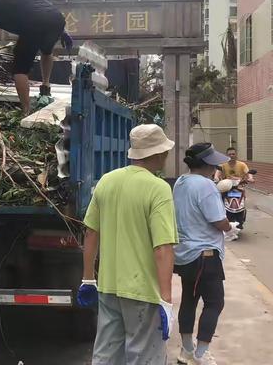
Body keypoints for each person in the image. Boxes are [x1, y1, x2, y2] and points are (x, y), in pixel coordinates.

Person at [79, 124, 178, 365]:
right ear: (156, 154)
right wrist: (165, 300)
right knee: (144, 357)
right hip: (143, 292)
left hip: (109, 287)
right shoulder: (158, 188)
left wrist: (88, 278)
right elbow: (163, 248)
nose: (166, 155)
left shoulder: (106, 181)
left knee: (106, 356)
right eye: (164, 151)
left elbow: (91, 232)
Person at [173, 143, 240, 365]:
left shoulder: (181, 182)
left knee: (189, 301)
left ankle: (186, 350)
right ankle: (201, 354)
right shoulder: (206, 186)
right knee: (215, 302)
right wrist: (231, 228)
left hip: (184, 253)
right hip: (205, 255)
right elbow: (218, 221)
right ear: (208, 164)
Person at [0, 0, 70, 115]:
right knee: (46, 51)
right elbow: (44, 9)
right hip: (57, 20)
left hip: (34, 23)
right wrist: (62, 31)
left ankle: (26, 111)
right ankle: (45, 88)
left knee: (19, 69)